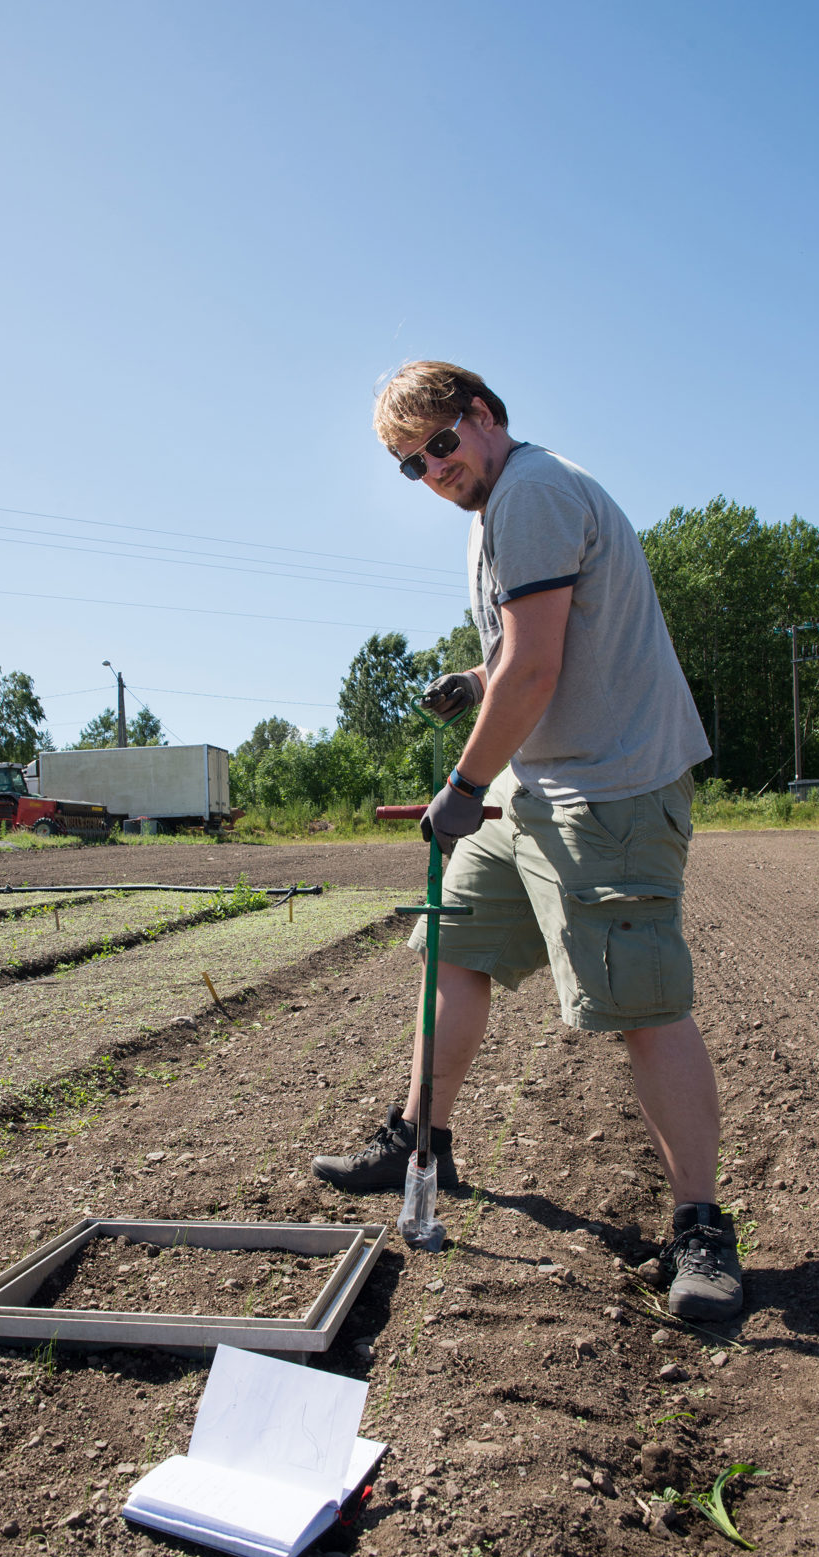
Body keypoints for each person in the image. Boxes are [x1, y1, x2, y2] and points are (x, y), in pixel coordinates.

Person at [312, 360, 742, 1321]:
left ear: (485, 415)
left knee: (642, 1005)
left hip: (610, 789)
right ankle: (421, 1138)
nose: (433, 469)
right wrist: (476, 681)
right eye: (410, 463)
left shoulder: (533, 493)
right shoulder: (496, 507)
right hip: (537, 784)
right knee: (455, 946)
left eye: (440, 443)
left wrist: (463, 785)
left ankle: (701, 1226)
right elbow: (531, 642)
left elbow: (539, 669)